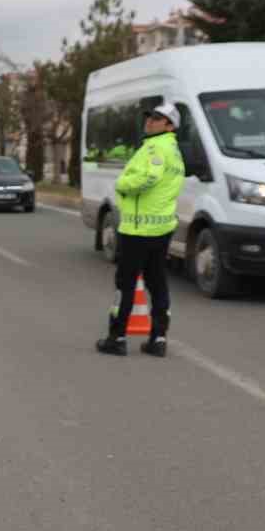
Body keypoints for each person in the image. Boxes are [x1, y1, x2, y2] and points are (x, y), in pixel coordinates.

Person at [96, 103, 185, 358]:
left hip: (139, 229)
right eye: (149, 117)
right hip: (160, 227)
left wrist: (123, 184)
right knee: (157, 283)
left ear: (170, 125)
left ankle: (117, 337)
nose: (150, 121)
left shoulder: (156, 148)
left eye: (158, 118)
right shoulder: (173, 150)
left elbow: (149, 178)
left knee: (125, 284)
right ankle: (158, 339)